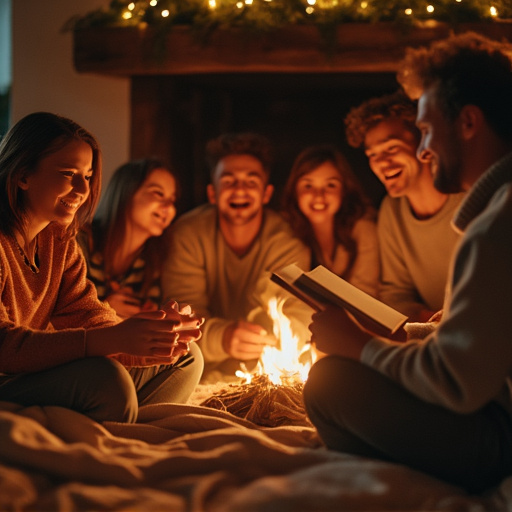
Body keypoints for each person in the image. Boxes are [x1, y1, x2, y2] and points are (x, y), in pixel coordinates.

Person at [303, 32, 512, 494]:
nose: (423, 149)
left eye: (427, 129)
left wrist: (358, 345)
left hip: (500, 439)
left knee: (329, 381)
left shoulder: (494, 230)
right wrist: (423, 331)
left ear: (469, 122)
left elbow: (456, 383)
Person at [0, 112, 203, 424]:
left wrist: (147, 337)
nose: (83, 190)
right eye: (69, 174)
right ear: (23, 175)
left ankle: (127, 428)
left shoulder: (59, 241)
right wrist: (111, 340)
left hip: (32, 372)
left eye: (88, 175)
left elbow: (85, 312)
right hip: (7, 380)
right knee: (105, 379)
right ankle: (115, 434)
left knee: (185, 356)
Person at [162, 132, 312, 383]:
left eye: (251, 182)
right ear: (212, 193)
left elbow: (295, 314)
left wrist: (264, 337)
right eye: (229, 181)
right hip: (198, 364)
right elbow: (180, 314)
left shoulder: (287, 242)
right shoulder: (188, 234)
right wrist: (222, 337)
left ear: (266, 194)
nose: (240, 189)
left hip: (264, 363)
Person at [78, 157, 204, 402]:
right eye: (158, 194)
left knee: (187, 353)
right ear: (125, 193)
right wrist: (108, 308)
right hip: (84, 354)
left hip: (123, 356)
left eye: (172, 200)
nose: (167, 206)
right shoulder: (80, 244)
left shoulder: (151, 263)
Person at [344, 91, 465, 322]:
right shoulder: (392, 210)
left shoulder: (470, 200)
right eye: (372, 155)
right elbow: (395, 293)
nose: (381, 162)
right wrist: (430, 321)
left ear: (424, 144)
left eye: (391, 148)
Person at [282, 144, 379, 297]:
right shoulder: (284, 233)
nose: (319, 195)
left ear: (344, 189)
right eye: (308, 186)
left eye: (330, 185)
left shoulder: (362, 229)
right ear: (295, 190)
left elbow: (366, 295)